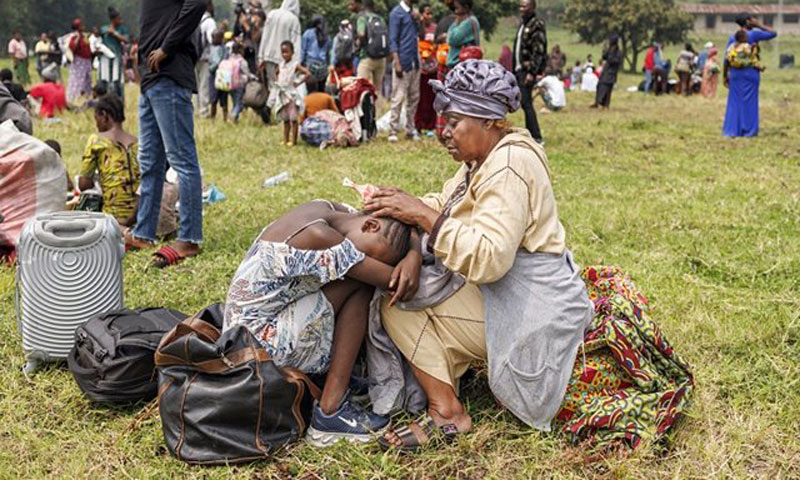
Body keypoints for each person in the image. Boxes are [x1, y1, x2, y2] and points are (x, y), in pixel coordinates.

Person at [365, 60, 693, 452]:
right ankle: (450, 373)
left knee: (398, 300)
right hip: (517, 293)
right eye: (443, 121)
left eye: (453, 122)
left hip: (533, 311)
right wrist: (401, 205)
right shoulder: (486, 158)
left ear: (488, 121)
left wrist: (419, 215)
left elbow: (488, 259)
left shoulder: (509, 164)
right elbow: (449, 204)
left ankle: (446, 413)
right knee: (415, 284)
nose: (444, 133)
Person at [223, 200, 417, 446]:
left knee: (350, 278)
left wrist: (410, 244)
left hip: (242, 337)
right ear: (370, 225)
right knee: (361, 284)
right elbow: (397, 283)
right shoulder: (319, 237)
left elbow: (400, 228)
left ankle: (331, 379)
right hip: (258, 353)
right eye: (373, 257)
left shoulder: (326, 208)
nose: (370, 262)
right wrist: (415, 255)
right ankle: (330, 411)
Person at [125, 0, 207, 268]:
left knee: (183, 160)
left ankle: (190, 238)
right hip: (152, 80)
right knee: (150, 163)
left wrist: (166, 47)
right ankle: (144, 233)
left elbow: (196, 4)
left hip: (169, 75)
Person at [78, 94, 139, 228]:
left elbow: (83, 184)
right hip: (140, 215)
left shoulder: (97, 141)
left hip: (113, 217)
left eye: (97, 119)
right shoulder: (137, 142)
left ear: (104, 115)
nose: (96, 124)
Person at [723, 15, 776, 138]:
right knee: (750, 101)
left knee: (734, 102)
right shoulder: (753, 34)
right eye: (752, 19)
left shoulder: (733, 38)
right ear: (747, 22)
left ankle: (731, 131)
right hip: (750, 72)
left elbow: (726, 60)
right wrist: (758, 25)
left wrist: (725, 76)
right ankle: (749, 131)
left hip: (735, 73)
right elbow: (773, 33)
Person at [388, 0, 422, 143]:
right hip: (403, 61)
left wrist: (418, 20)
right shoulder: (397, 13)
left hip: (415, 60)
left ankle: (410, 128)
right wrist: (397, 62)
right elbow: (393, 40)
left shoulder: (413, 14)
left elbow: (419, 34)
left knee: (414, 97)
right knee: (398, 97)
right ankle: (392, 130)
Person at [513, 0, 545, 144]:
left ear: (533, 7)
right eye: (520, 6)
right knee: (525, 102)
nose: (521, 9)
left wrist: (532, 72)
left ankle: (536, 136)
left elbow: (538, 50)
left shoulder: (536, 24)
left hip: (527, 70)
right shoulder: (523, 24)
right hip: (519, 69)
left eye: (525, 6)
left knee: (526, 102)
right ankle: (531, 134)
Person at [268, 41, 310, 147]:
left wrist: (298, 83)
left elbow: (307, 73)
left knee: (293, 119)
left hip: (291, 95)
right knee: (285, 119)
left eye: (287, 52)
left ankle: (294, 141)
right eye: (283, 52)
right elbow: (277, 73)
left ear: (292, 52)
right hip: (283, 96)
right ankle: (286, 139)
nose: (284, 54)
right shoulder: (281, 65)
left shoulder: (295, 65)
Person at [258, 0, 302, 89]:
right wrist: (296, 63)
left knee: (272, 86)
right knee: (283, 88)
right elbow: (296, 43)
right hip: (283, 60)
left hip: (268, 56)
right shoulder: (293, 19)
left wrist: (261, 57)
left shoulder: (271, 14)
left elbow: (265, 37)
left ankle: (272, 102)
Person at [350, 0, 389, 94]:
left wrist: (360, 44)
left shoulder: (362, 18)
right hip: (381, 58)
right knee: (377, 90)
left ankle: (365, 108)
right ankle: (377, 108)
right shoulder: (380, 18)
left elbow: (361, 34)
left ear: (363, 6)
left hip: (367, 57)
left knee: (362, 88)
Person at [415, 4, 438, 133]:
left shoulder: (436, 29)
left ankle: (431, 126)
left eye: (430, 13)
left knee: (432, 98)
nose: (428, 16)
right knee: (419, 98)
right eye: (426, 13)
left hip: (433, 68)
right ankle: (418, 125)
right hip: (420, 69)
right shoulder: (416, 28)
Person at [196, 0, 217, 118]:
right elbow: (212, 40)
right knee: (204, 85)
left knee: (195, 85)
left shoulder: (194, 17)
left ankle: (196, 109)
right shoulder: (210, 22)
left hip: (193, 57)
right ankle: (203, 112)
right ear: (208, 6)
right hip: (205, 58)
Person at [445, 0, 480, 70]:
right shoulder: (469, 21)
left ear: (466, 7)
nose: (455, 11)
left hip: (460, 64)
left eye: (457, 8)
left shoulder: (468, 22)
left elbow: (452, 39)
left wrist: (456, 23)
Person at [301, 15, 330, 93]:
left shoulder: (308, 33)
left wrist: (301, 64)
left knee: (310, 91)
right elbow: (327, 52)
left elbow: (303, 50)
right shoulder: (326, 35)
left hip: (310, 64)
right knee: (321, 91)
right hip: (323, 66)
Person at [591, 35, 622, 109]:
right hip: (605, 71)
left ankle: (605, 104)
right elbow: (604, 56)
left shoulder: (618, 52)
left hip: (611, 72)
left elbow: (616, 61)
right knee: (600, 86)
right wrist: (606, 50)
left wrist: (610, 57)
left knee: (607, 89)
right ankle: (598, 102)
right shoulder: (610, 49)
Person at [67, 19, 93, 103]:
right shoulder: (73, 36)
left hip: (87, 61)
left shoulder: (84, 36)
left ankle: (86, 98)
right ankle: (74, 98)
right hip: (79, 61)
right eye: (81, 25)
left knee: (87, 79)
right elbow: (72, 48)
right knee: (77, 80)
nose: (83, 26)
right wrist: (78, 37)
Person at [208, 30, 229, 121]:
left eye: (215, 37)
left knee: (218, 98)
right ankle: (217, 117)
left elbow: (217, 62)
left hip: (217, 75)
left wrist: (211, 67)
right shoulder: (220, 48)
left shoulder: (221, 49)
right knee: (217, 98)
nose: (213, 39)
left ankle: (219, 117)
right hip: (221, 75)